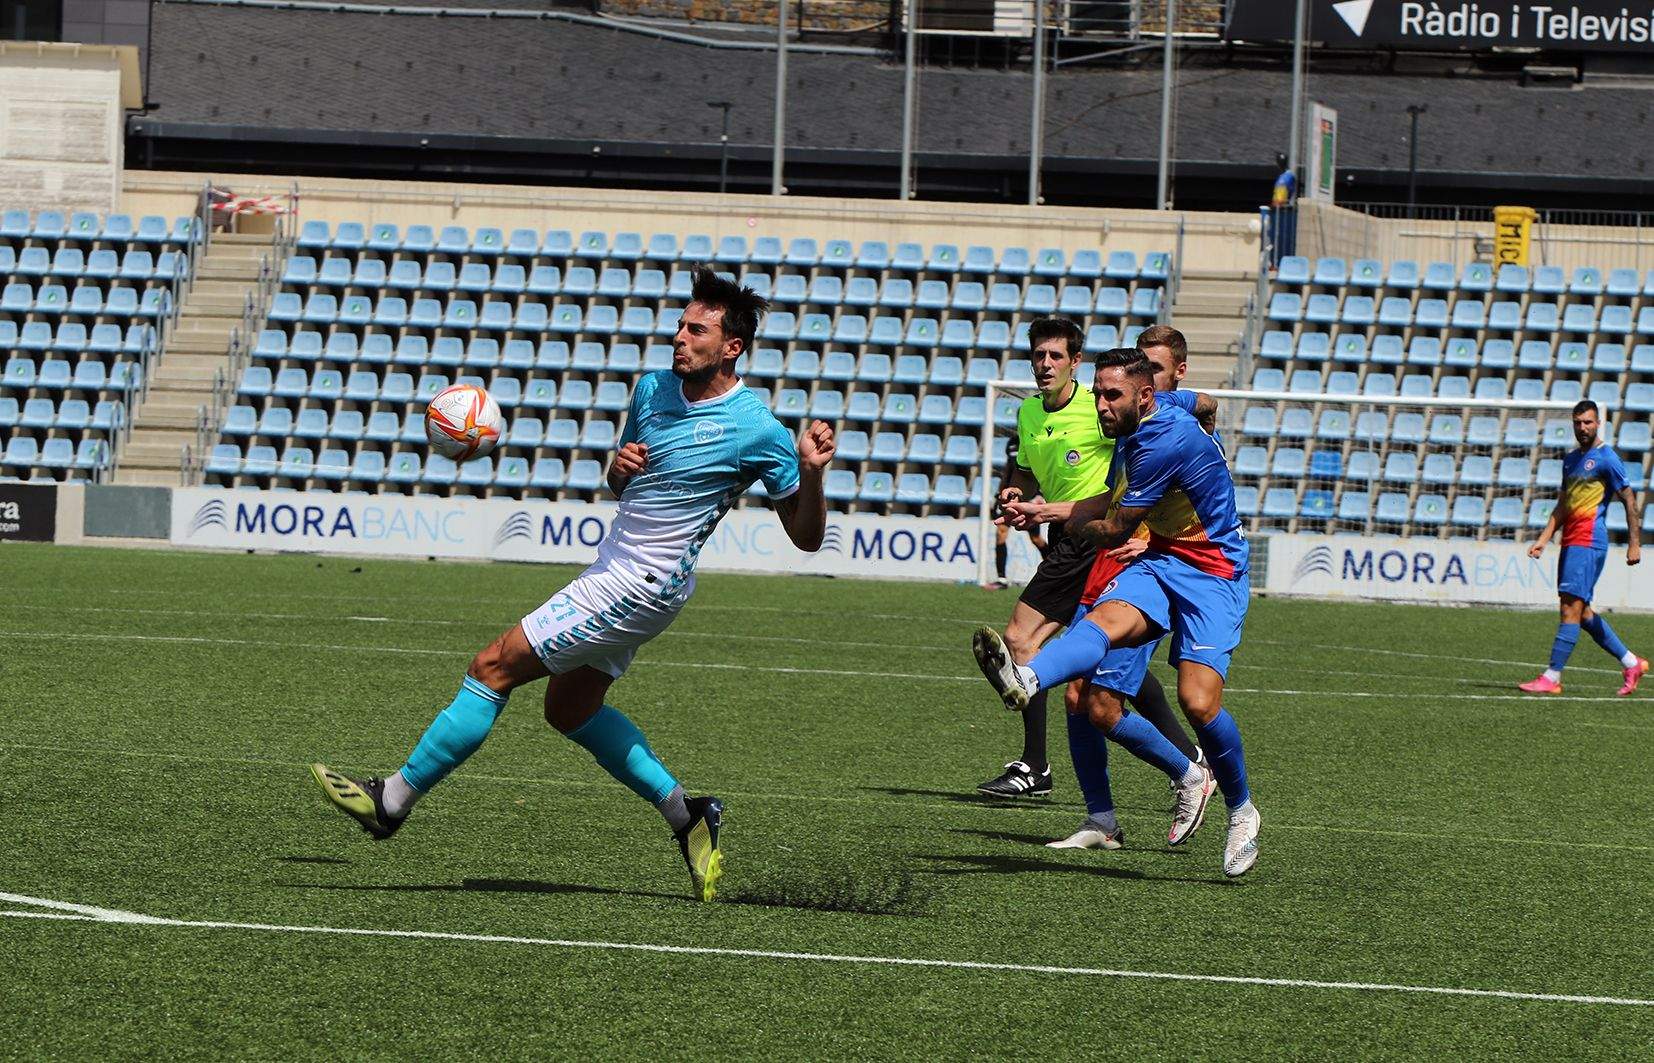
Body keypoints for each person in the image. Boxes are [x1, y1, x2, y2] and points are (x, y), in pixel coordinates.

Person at [308, 266, 837, 902]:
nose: (679, 336)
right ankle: (687, 816)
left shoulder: (759, 429)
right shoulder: (651, 391)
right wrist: (618, 468)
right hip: (619, 572)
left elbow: (806, 538)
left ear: (731, 348)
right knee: (569, 709)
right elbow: (626, 482)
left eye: (696, 329)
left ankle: (391, 801)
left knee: (492, 666)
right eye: (679, 323)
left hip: (640, 582)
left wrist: (810, 475)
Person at [974, 350, 1262, 877]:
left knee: (1196, 703)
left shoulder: (1159, 443)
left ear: (1142, 396)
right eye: (1099, 393)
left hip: (1213, 571)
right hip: (1160, 560)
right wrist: (1045, 510)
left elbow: (1112, 526)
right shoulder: (1159, 407)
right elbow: (1200, 402)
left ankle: (1241, 808)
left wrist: (1055, 528)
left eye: (1111, 396)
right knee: (1101, 629)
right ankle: (1028, 678)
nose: (1100, 405)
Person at [974, 317, 1191, 802]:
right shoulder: (1030, 413)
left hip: (1098, 538)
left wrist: (1143, 526)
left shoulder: (1101, 409)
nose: (1045, 364)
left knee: (1021, 638)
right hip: (1066, 537)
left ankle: (1035, 767)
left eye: (1055, 356)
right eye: (1038, 356)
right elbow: (1025, 471)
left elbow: (1142, 462)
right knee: (1108, 663)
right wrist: (1017, 492)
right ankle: (1189, 758)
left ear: (1075, 362)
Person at [1519, 400, 1645, 696]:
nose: (1582, 427)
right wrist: (1543, 538)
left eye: (1588, 422)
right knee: (1582, 612)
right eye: (1577, 422)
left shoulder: (1607, 458)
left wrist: (1634, 543)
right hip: (1570, 542)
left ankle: (1551, 677)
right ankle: (1631, 662)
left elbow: (1628, 499)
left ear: (1598, 423)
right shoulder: (1570, 460)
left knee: (1568, 609)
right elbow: (1562, 506)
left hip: (1589, 542)